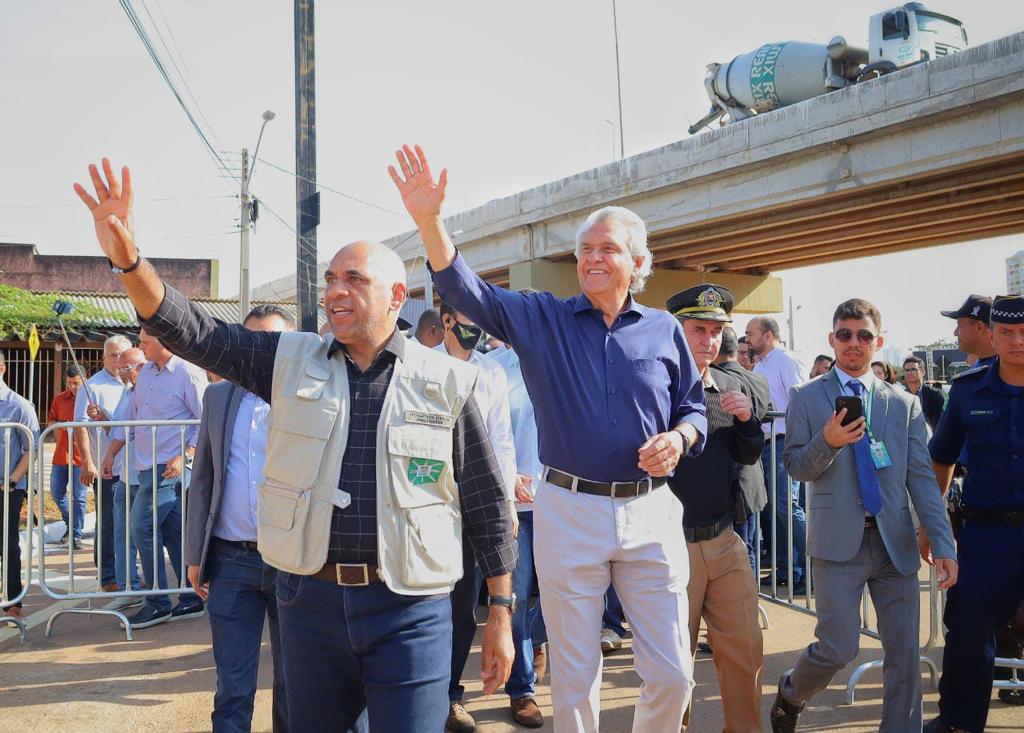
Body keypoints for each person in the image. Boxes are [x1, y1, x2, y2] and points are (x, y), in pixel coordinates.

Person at [75, 157, 516, 733]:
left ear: (396, 296)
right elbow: (192, 330)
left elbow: (486, 502)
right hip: (310, 604)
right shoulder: (288, 360)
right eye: (331, 280)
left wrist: (502, 614)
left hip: (412, 607)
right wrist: (128, 261)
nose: (335, 291)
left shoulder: (448, 381)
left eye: (353, 281)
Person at [390, 144, 707, 733]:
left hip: (650, 513)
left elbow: (694, 408)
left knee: (672, 676)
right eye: (585, 248)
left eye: (607, 249)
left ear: (637, 262)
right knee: (575, 676)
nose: (591, 258)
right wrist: (430, 223)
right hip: (570, 511)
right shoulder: (545, 319)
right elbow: (468, 293)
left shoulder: (665, 329)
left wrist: (682, 437)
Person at [770, 298, 958, 733]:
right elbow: (796, 466)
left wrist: (943, 542)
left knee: (905, 655)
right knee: (838, 648)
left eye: (864, 335)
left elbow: (921, 479)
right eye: (845, 334)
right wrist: (829, 440)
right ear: (832, 339)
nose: (854, 343)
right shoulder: (806, 397)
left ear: (880, 342)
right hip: (838, 545)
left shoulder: (903, 403)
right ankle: (793, 690)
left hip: (895, 543)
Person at [185, 304, 294, 733]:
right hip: (231, 562)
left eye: (270, 340)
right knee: (232, 683)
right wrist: (196, 553)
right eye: (250, 340)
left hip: (292, 562)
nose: (257, 350)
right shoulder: (217, 396)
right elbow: (205, 477)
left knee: (293, 682)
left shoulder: (307, 398)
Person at [924, 295, 1024, 733]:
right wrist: (934, 524)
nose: (1017, 341)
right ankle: (959, 725)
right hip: (986, 537)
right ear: (992, 335)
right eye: (1007, 332)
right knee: (967, 636)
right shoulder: (967, 390)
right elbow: (941, 461)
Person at [668, 285, 764, 732]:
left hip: (724, 539)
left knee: (745, 648)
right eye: (697, 329)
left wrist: (748, 421)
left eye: (714, 331)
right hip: (671, 546)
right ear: (677, 331)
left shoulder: (729, 386)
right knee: (673, 663)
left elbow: (747, 456)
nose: (708, 340)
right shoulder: (656, 388)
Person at [434, 301, 518, 733]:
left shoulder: (492, 372)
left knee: (464, 609)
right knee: (429, 606)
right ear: (446, 320)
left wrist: (503, 504)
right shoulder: (423, 365)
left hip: (476, 504)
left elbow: (501, 440)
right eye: (469, 322)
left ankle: (450, 696)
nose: (478, 331)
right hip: (430, 505)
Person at [101, 327, 207, 629]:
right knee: (173, 531)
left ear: (164, 341)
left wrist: (185, 454)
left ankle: (157, 602)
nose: (141, 347)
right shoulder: (147, 374)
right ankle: (190, 597)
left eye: (145, 341)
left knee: (141, 527)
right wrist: (111, 453)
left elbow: (204, 419)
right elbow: (133, 419)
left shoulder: (188, 373)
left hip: (170, 470)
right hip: (145, 467)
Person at [486, 324, 550, 728]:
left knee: (574, 591)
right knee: (517, 595)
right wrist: (506, 477)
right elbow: (485, 434)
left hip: (567, 503)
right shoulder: (493, 369)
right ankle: (522, 689)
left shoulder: (563, 365)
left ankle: (537, 639)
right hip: (516, 508)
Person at [746, 316, 808, 592]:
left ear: (768, 335)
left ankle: (813, 566)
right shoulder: (761, 364)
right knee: (775, 510)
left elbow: (799, 403)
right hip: (767, 444)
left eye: (751, 333)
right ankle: (787, 569)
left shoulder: (786, 360)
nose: (747, 338)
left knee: (787, 506)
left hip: (784, 442)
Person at [714, 326, 772, 573]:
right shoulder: (757, 378)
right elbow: (767, 412)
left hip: (732, 477)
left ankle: (747, 604)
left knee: (739, 551)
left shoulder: (718, 379)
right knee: (748, 545)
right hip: (753, 475)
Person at [76, 334, 130, 591]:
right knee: (108, 523)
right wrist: (88, 462)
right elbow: (80, 428)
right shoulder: (93, 386)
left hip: (136, 467)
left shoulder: (139, 383)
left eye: (123, 354)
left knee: (132, 524)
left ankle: (129, 571)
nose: (118, 360)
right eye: (113, 355)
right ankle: (108, 576)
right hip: (108, 469)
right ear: (104, 357)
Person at [99, 348, 147, 602]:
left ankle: (180, 591)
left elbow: (130, 431)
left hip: (148, 476)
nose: (125, 373)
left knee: (155, 535)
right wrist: (109, 456)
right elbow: (119, 429)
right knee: (122, 534)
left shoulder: (150, 394)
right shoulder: (126, 394)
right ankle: (129, 587)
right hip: (125, 475)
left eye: (127, 368)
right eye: (122, 369)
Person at [0, 352, 39, 618]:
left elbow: (31, 447)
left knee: (8, 544)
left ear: (2, 368)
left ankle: (13, 600)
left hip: (8, 486)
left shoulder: (19, 406)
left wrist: (12, 480)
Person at [48, 365, 86, 550]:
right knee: (56, 493)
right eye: (70, 383)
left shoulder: (89, 398)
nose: (74, 387)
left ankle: (76, 534)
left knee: (79, 497)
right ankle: (72, 524)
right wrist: (60, 425)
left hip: (82, 456)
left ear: (84, 381)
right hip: (61, 455)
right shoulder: (59, 399)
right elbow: (50, 420)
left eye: (77, 383)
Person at [902, 356, 945, 433]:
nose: (910, 372)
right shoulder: (901, 396)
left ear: (923, 372)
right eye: (907, 370)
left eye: (913, 369)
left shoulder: (935, 395)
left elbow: (944, 423)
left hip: (931, 440)